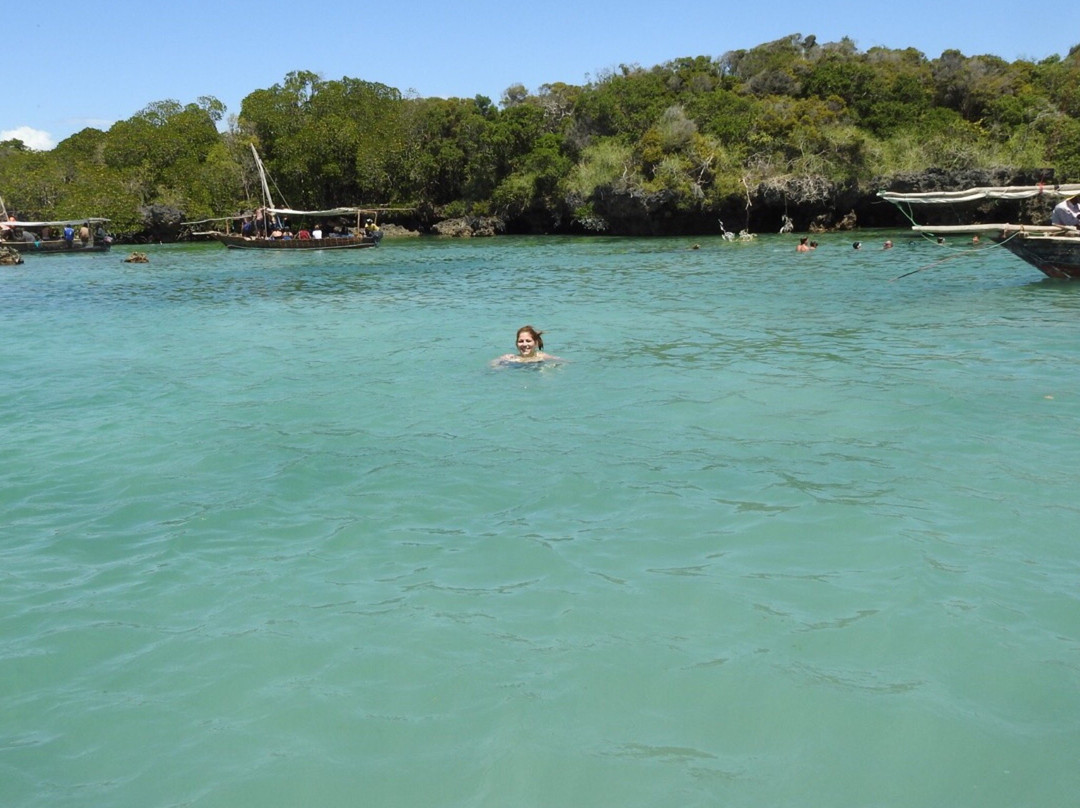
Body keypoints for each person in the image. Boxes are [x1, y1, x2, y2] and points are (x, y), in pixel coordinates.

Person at [492, 325, 562, 366]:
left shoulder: (542, 357)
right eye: (521, 341)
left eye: (528, 341)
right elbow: (492, 366)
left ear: (536, 343)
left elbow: (563, 362)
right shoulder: (510, 358)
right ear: (516, 344)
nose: (524, 344)